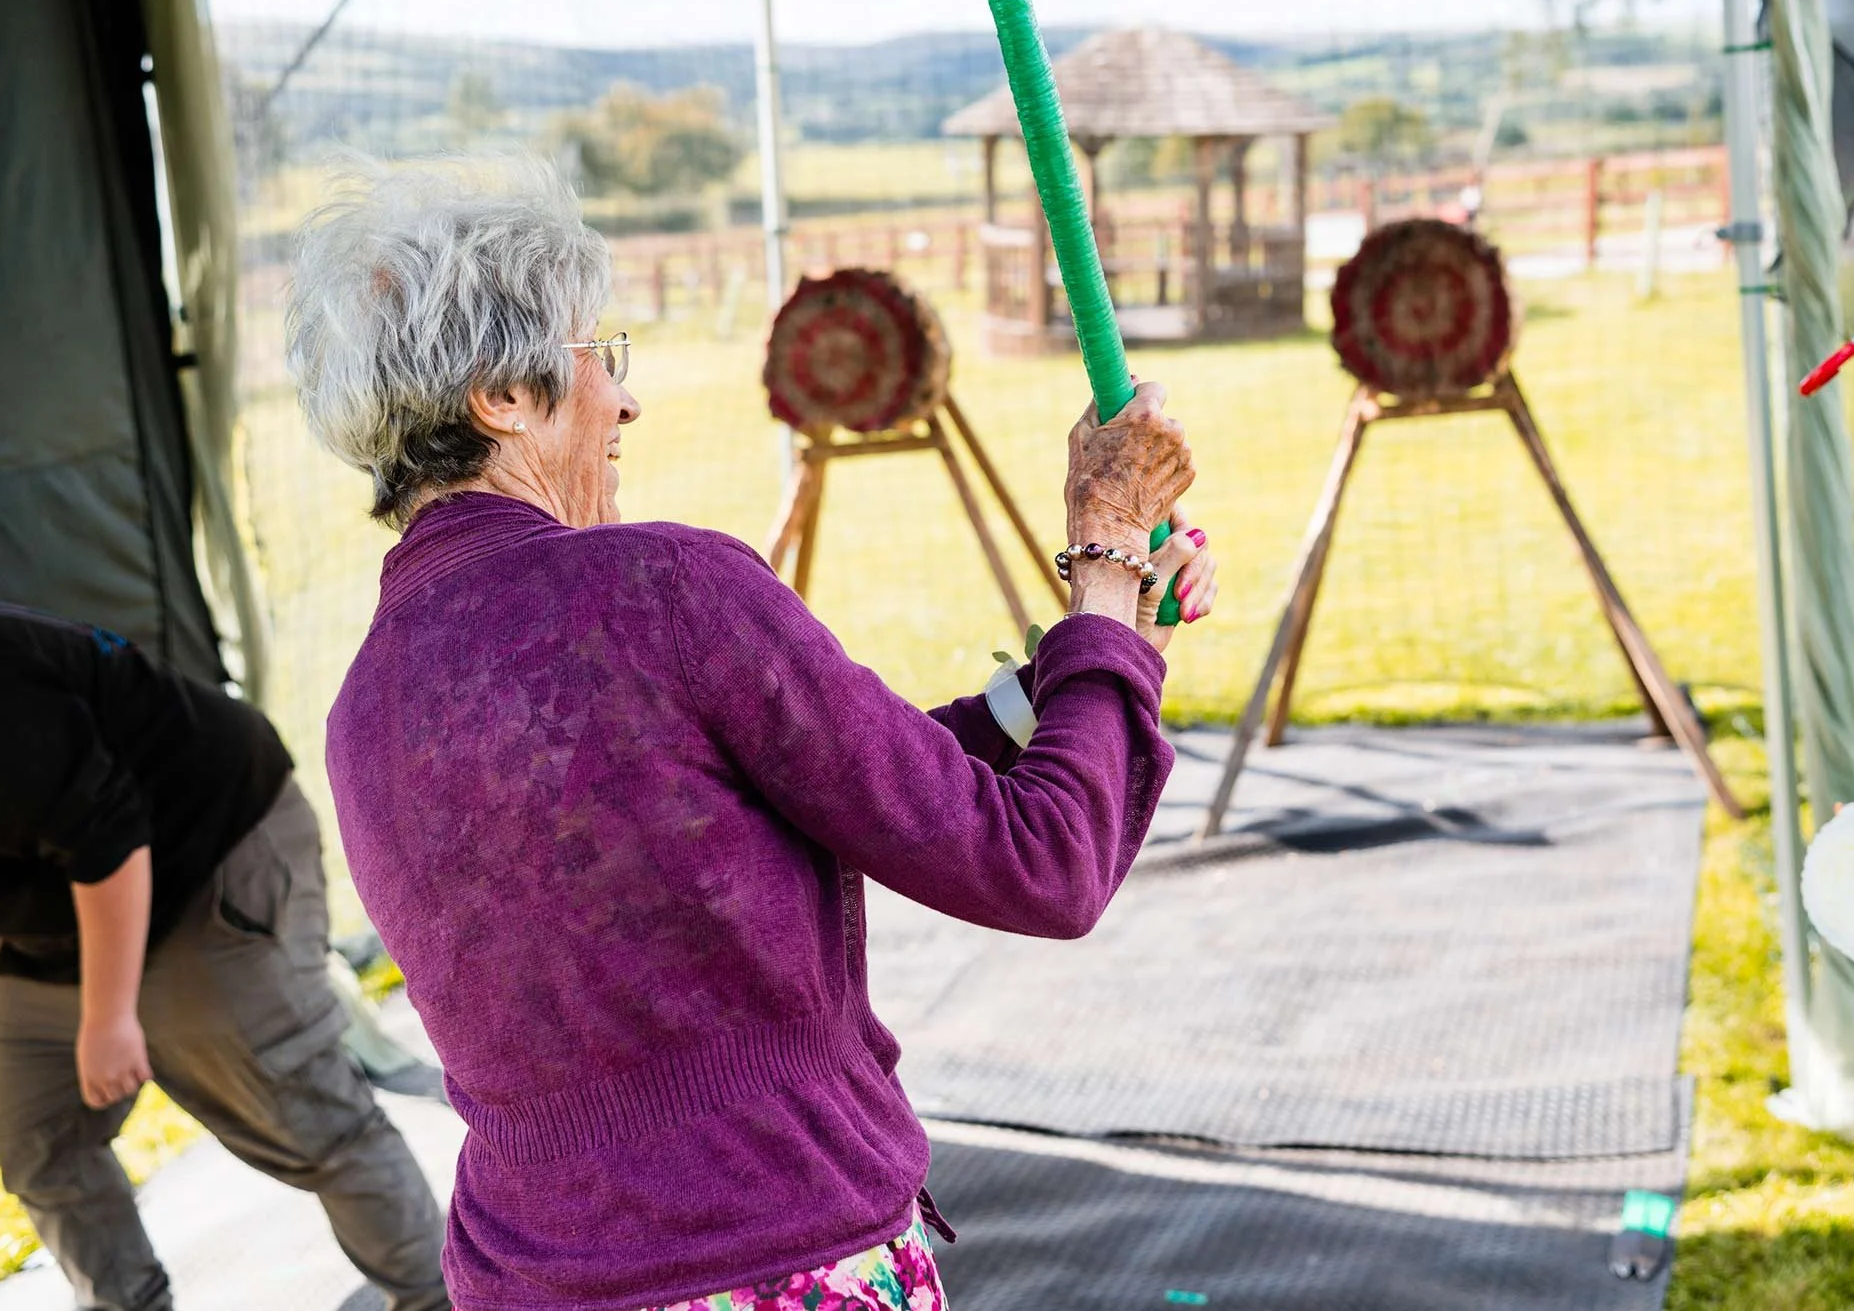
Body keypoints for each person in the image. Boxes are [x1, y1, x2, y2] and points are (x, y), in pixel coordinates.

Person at [284, 161, 1217, 1311]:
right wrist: (1109, 545)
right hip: (772, 1256)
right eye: (601, 356)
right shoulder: (662, 585)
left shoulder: (363, 702)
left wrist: (1099, 643)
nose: (626, 403)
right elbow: (1044, 860)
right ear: (499, 395)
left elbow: (806, 788)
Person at [0, 599, 449, 1311]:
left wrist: (110, 1018)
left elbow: (107, 833)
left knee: (295, 1101)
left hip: (205, 844)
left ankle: (439, 1296)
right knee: (36, 1127)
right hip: (68, 906)